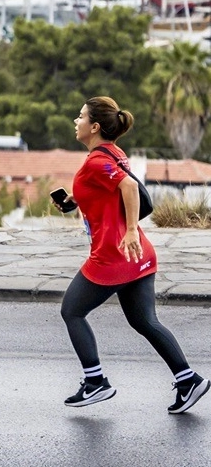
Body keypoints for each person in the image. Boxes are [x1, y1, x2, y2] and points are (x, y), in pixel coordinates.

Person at [55, 96, 207, 413]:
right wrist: (73, 200)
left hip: (114, 256)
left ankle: (95, 382)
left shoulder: (97, 161)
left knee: (71, 311)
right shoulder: (112, 153)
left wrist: (130, 231)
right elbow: (109, 190)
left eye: (80, 116)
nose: (76, 121)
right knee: (144, 320)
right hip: (139, 257)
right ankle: (188, 379)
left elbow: (128, 188)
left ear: (94, 126)